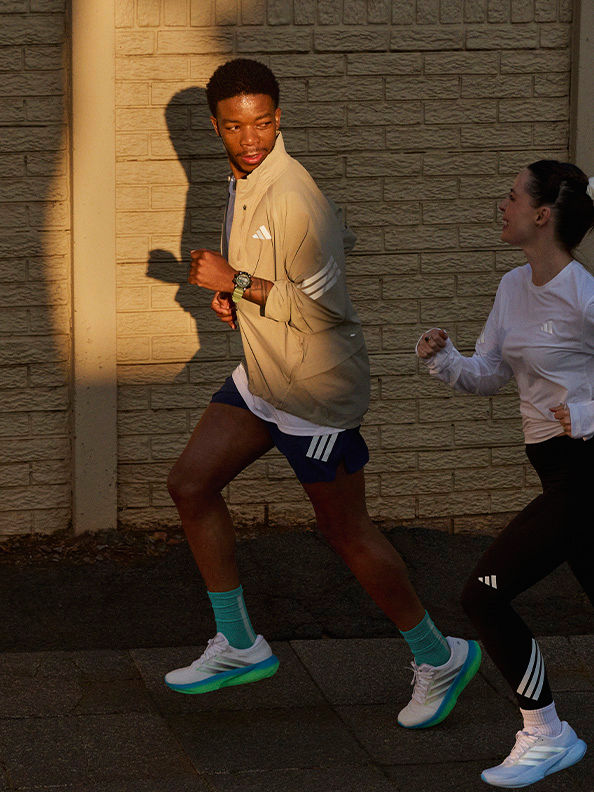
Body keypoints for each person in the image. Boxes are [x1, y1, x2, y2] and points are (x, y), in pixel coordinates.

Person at [163, 57, 481, 727]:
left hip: (315, 392)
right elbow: (307, 266)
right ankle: (241, 644)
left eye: (265, 123)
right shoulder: (244, 180)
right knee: (191, 484)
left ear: (279, 118)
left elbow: (325, 312)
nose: (252, 139)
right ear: (216, 127)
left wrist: (238, 282)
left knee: (344, 531)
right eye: (235, 126)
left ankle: (438, 653)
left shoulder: (290, 193)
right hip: (264, 375)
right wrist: (236, 296)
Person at [417, 160, 594, 786]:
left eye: (512, 196)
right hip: (554, 469)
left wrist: (587, 412)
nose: (503, 204)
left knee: (484, 594)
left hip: (587, 473)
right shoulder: (513, 287)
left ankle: (546, 733)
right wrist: (446, 361)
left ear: (542, 215)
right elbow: (492, 374)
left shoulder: (586, 296)